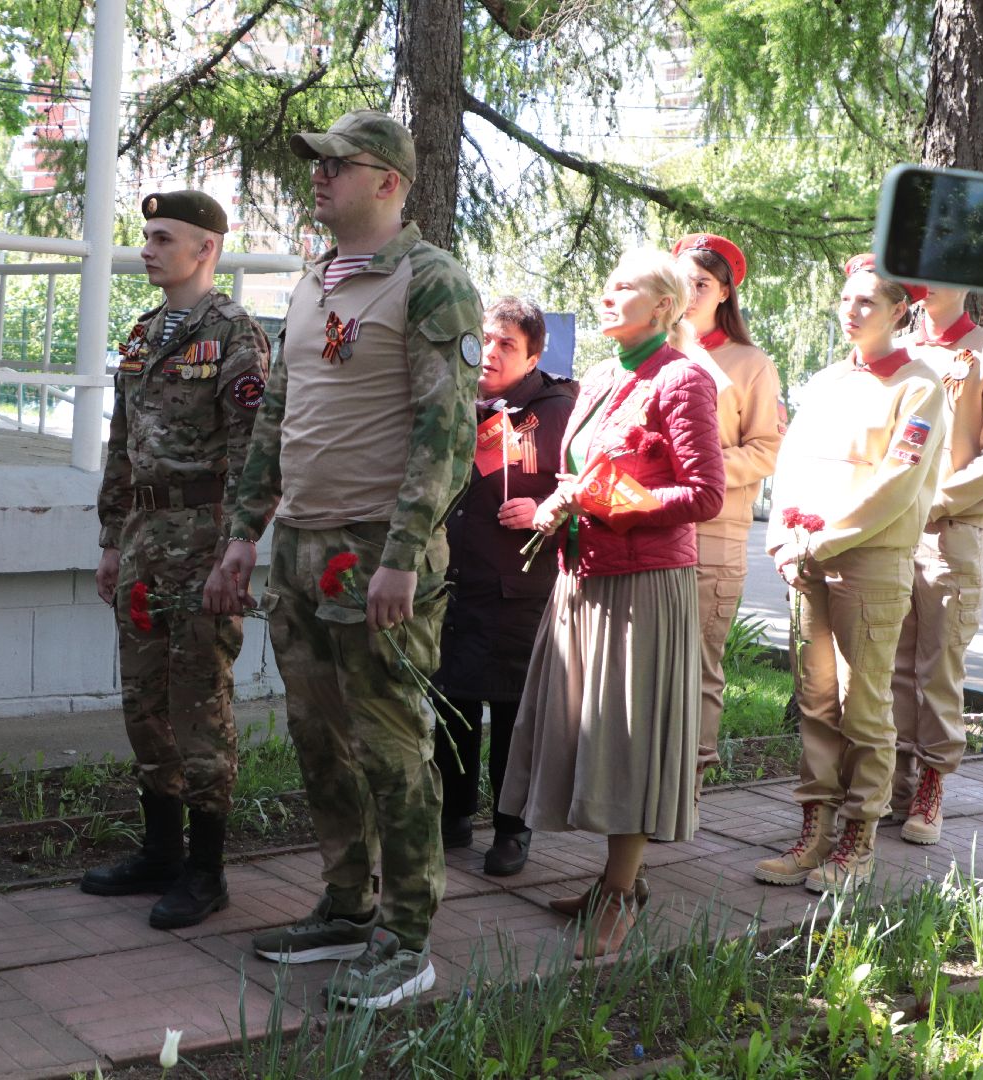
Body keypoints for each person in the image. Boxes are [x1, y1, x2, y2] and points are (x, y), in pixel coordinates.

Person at [212, 109, 483, 1010]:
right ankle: (345, 904)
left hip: (376, 548)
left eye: (339, 164)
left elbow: (446, 431)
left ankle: (407, 940)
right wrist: (244, 535)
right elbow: (274, 419)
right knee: (318, 736)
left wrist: (404, 553)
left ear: (389, 182)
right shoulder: (317, 280)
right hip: (300, 544)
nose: (320, 177)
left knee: (390, 744)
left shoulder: (432, 281)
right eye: (317, 165)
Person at [498, 250, 724, 959]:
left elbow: (705, 495)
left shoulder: (682, 378)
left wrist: (606, 502)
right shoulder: (602, 374)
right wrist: (562, 499)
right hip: (583, 575)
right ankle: (611, 881)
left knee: (627, 740)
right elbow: (584, 469)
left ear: (664, 306)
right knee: (590, 732)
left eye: (623, 286)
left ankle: (621, 897)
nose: (606, 294)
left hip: (640, 584)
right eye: (606, 281)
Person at [81, 191, 269, 930]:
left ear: (206, 249)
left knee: (199, 702)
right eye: (145, 236)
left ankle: (206, 869)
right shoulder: (142, 333)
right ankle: (159, 850)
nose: (147, 249)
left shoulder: (235, 337)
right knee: (143, 698)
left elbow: (255, 453)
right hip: (144, 541)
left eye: (164, 238)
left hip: (204, 539)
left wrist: (239, 548)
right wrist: (109, 539)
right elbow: (121, 444)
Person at [753, 253, 945, 893]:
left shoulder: (918, 386)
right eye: (846, 298)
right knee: (815, 700)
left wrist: (827, 539)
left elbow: (898, 480)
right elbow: (792, 462)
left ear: (899, 311)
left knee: (864, 705)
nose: (852, 309)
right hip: (806, 558)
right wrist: (784, 535)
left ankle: (859, 840)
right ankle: (815, 833)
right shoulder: (829, 380)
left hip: (867, 561)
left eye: (867, 301)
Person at [430, 297, 576, 877]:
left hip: (518, 586)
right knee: (453, 702)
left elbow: (590, 483)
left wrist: (544, 506)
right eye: (486, 339)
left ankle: (513, 827)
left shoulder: (559, 408)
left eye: (507, 344)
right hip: (456, 580)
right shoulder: (459, 397)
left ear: (534, 354)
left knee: (513, 711)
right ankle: (454, 815)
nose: (490, 353)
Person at [887, 285, 983, 844]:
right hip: (887, 528)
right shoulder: (895, 349)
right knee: (893, 665)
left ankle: (931, 784)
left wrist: (939, 500)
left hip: (949, 529)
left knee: (939, 661)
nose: (929, 284)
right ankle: (897, 785)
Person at [673, 234, 783, 793]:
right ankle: (649, 779)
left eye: (702, 284)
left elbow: (766, 448)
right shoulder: (656, 353)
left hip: (711, 536)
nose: (690, 294)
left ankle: (689, 781)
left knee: (698, 667)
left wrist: (699, 464)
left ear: (724, 294)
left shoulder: (749, 363)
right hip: (647, 532)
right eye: (683, 280)